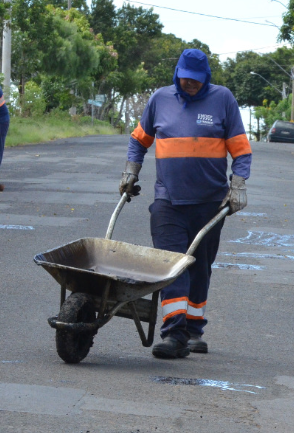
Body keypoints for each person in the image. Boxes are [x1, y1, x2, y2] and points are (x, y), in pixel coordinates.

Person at [121, 48, 251, 359]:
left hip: (210, 204)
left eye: (196, 79)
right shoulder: (160, 99)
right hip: (168, 200)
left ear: (206, 77)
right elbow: (139, 140)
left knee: (200, 268)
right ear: (177, 74)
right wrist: (130, 172)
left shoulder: (223, 99)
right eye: (185, 78)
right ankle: (174, 334)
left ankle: (193, 330)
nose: (189, 83)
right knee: (172, 264)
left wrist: (238, 185)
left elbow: (241, 149)